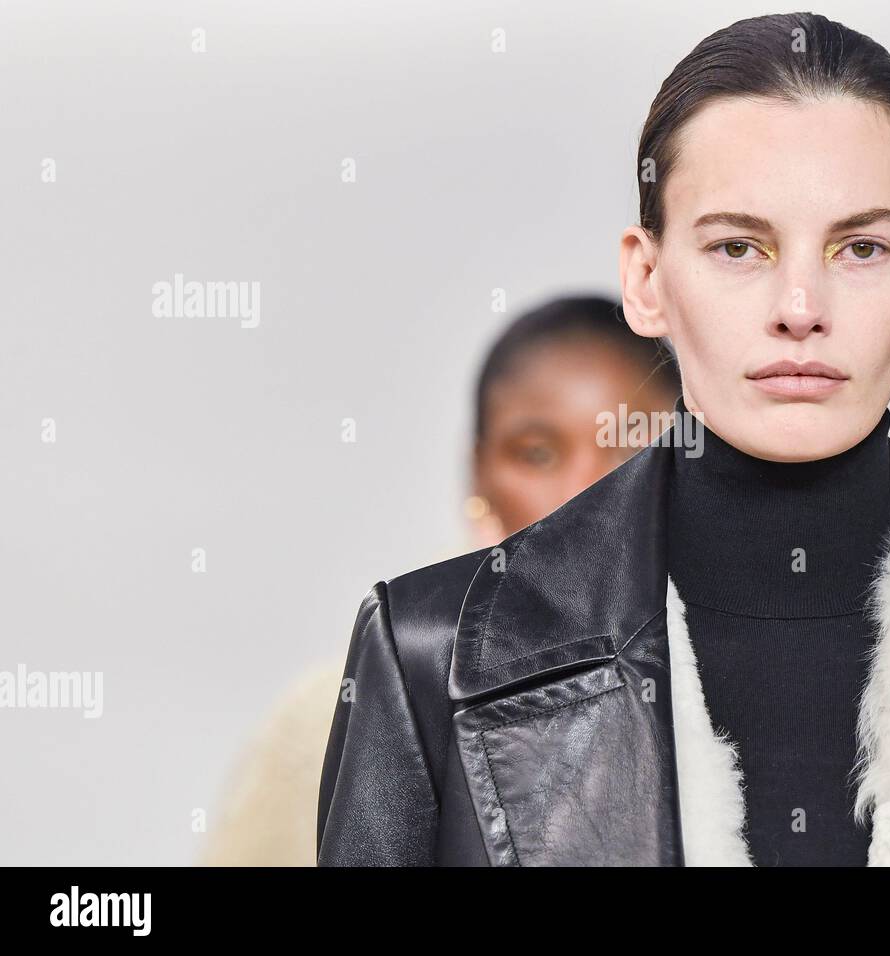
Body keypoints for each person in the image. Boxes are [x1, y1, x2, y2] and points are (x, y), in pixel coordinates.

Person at [317, 13, 890, 867]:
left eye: (860, 249)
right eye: (738, 249)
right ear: (647, 280)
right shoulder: (431, 656)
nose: (801, 311)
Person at [199, 295, 679, 865]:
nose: (583, 489)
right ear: (477, 474)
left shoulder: (735, 672)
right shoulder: (340, 711)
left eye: (630, 446)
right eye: (537, 453)